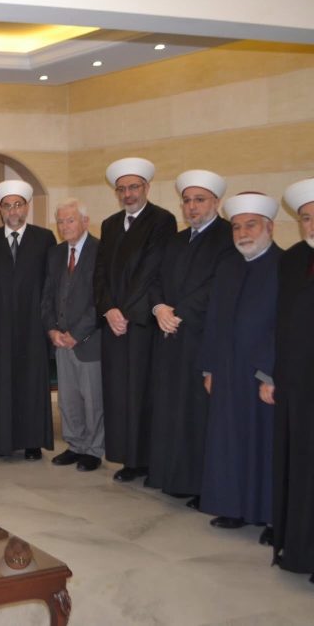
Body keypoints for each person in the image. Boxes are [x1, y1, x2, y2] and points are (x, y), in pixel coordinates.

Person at [146, 171, 234, 507]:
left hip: (201, 339)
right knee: (170, 408)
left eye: (199, 200)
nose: (192, 207)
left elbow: (218, 286)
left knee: (197, 412)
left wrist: (178, 313)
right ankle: (171, 476)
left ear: (216, 202)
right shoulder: (177, 240)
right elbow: (155, 279)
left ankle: (198, 484)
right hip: (169, 337)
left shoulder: (227, 237)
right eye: (187, 200)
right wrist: (158, 308)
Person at [199, 192, 280, 545]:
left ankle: (271, 515)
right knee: (229, 439)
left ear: (269, 227)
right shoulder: (227, 266)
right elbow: (214, 320)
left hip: (263, 373)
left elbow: (286, 325)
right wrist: (209, 369)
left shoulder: (285, 265)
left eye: (251, 225)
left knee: (266, 444)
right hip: (227, 370)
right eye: (236, 227)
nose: (243, 233)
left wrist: (270, 372)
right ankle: (232, 506)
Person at [94, 158, 176, 482]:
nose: (128, 194)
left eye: (134, 187)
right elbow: (100, 273)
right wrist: (108, 310)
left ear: (146, 188)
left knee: (142, 393)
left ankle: (146, 459)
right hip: (114, 323)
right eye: (122, 189)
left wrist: (125, 312)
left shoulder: (162, 220)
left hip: (142, 322)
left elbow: (151, 271)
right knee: (118, 394)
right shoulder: (110, 224)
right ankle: (127, 458)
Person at [0, 180, 56, 460]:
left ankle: (32, 441)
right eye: (7, 206)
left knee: (31, 381)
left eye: (18, 205)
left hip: (33, 324)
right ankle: (0, 442)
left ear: (27, 207)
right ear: (0, 209)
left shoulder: (44, 238)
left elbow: (51, 283)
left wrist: (50, 323)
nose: (13, 210)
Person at [41, 199, 104, 472]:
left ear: (85, 221)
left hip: (88, 341)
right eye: (60, 221)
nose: (64, 226)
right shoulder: (55, 254)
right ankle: (75, 444)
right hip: (60, 341)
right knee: (68, 400)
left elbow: (101, 299)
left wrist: (76, 334)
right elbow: (46, 296)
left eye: (70, 220)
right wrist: (52, 329)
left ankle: (94, 450)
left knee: (93, 400)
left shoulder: (101, 251)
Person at [272, 178, 314, 581]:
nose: (312, 225)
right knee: (300, 469)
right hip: (297, 385)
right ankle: (300, 550)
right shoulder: (293, 259)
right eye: (305, 218)